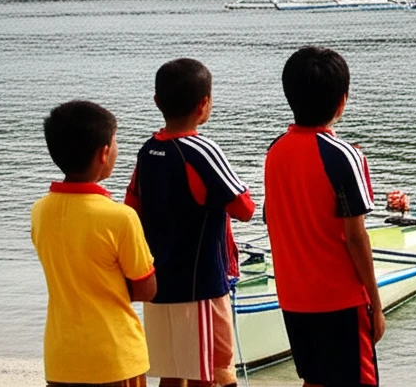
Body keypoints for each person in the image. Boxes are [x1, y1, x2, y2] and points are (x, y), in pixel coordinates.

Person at [125, 58, 255, 387]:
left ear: (157, 103)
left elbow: (132, 208)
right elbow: (244, 208)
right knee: (215, 371)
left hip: (159, 283)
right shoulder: (202, 149)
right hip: (200, 286)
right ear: (204, 104)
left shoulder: (148, 150)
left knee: (173, 371)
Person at [264, 46, 383, 387]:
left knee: (315, 379)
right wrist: (374, 299)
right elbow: (355, 236)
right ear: (341, 101)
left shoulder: (275, 152)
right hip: (341, 299)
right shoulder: (344, 155)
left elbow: (274, 219)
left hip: (293, 297)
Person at [32, 100, 157, 387]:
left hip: (61, 357)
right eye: (115, 142)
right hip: (114, 357)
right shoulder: (119, 217)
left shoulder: (40, 211)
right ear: (103, 153)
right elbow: (147, 288)